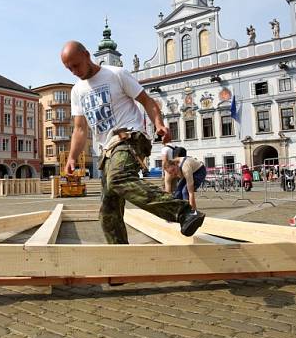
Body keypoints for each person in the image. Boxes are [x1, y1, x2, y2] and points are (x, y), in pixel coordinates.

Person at [60, 41, 205, 244]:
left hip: (130, 138)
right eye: (69, 68)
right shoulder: (77, 91)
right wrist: (72, 157)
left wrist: (159, 124)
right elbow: (80, 128)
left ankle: (184, 212)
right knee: (108, 212)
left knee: (118, 177)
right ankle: (121, 258)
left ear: (86, 55)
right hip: (107, 151)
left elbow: (147, 101)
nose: (74, 71)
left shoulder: (116, 74)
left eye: (76, 65)